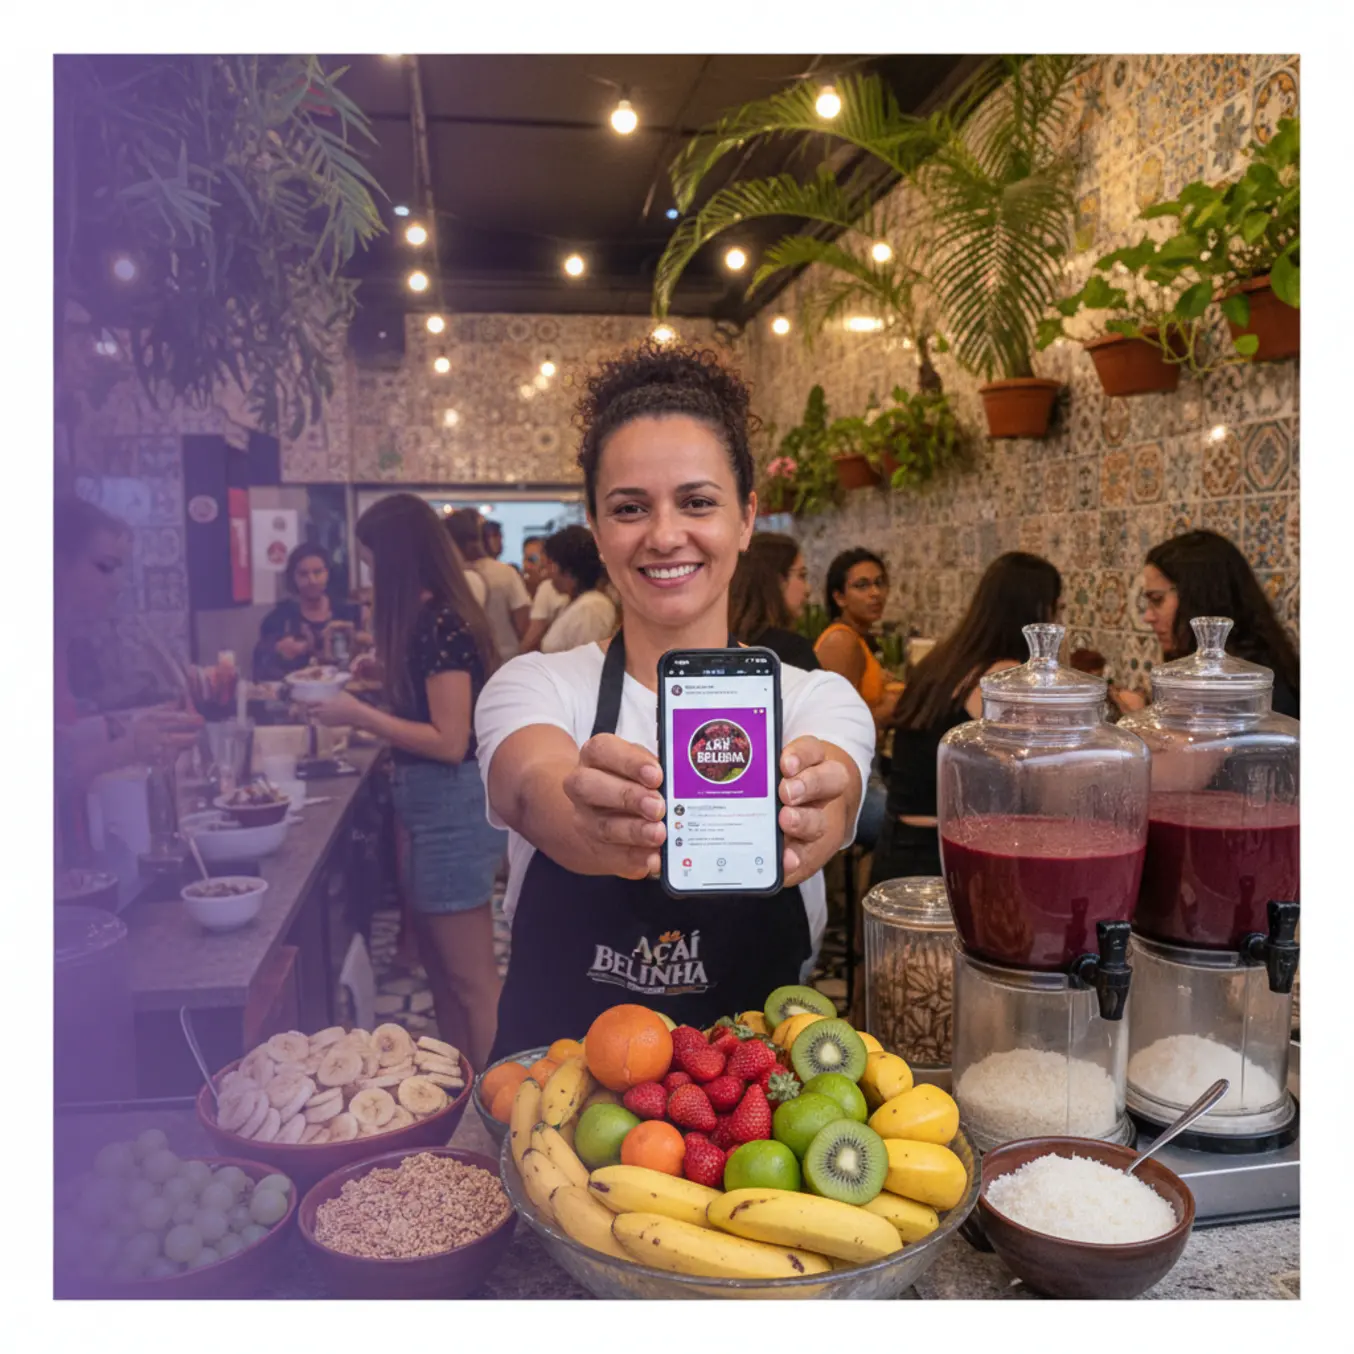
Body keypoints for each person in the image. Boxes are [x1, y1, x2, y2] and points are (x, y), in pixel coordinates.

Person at [474, 342, 875, 1055]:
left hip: (757, 1118)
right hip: (563, 1121)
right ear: (597, 530)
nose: (664, 535)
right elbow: (531, 789)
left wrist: (819, 805)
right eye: (630, 508)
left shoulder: (819, 700)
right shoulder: (534, 686)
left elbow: (833, 793)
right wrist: (591, 820)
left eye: (697, 502)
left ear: (747, 518)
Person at [310, 493, 506, 1068]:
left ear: (396, 558)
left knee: (471, 979)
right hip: (432, 808)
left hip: (451, 807)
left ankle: (496, 1108)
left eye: (372, 562)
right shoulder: (427, 619)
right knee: (442, 972)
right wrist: (388, 681)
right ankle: (461, 1087)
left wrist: (358, 714)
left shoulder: (440, 621)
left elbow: (449, 740)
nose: (368, 573)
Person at [871, 552, 1063, 885]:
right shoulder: (1006, 679)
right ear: (1037, 616)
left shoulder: (943, 661)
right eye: (1058, 610)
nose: (1062, 623)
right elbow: (1043, 783)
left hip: (896, 850)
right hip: (943, 862)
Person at [53, 498, 203, 860]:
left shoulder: (59, 645)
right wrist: (129, 748)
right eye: (105, 568)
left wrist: (129, 724)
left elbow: (59, 739)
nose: (116, 585)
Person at [1130, 529, 1300, 718]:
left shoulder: (1255, 688)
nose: (1148, 617)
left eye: (1157, 599)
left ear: (1199, 597)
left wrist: (1141, 716)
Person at [252, 543, 366, 681]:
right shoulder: (277, 620)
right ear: (293, 578)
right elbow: (260, 672)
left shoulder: (350, 613)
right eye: (303, 574)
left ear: (328, 573)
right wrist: (276, 651)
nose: (312, 580)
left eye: (317, 572)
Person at [814, 548, 899, 727]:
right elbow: (837, 723)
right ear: (839, 598)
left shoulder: (856, 638)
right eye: (862, 585)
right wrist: (891, 709)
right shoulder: (841, 641)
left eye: (879, 583)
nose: (875, 593)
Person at [447, 509, 530, 661]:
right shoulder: (505, 573)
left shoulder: (449, 578)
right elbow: (523, 625)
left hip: (466, 663)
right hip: (506, 661)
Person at [729, 531, 818, 669]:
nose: (808, 589)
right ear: (778, 581)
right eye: (801, 575)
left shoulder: (722, 646)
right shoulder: (793, 650)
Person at [538, 525, 618, 654]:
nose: (546, 573)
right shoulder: (577, 602)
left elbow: (587, 662)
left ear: (565, 568)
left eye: (550, 565)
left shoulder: (592, 607)